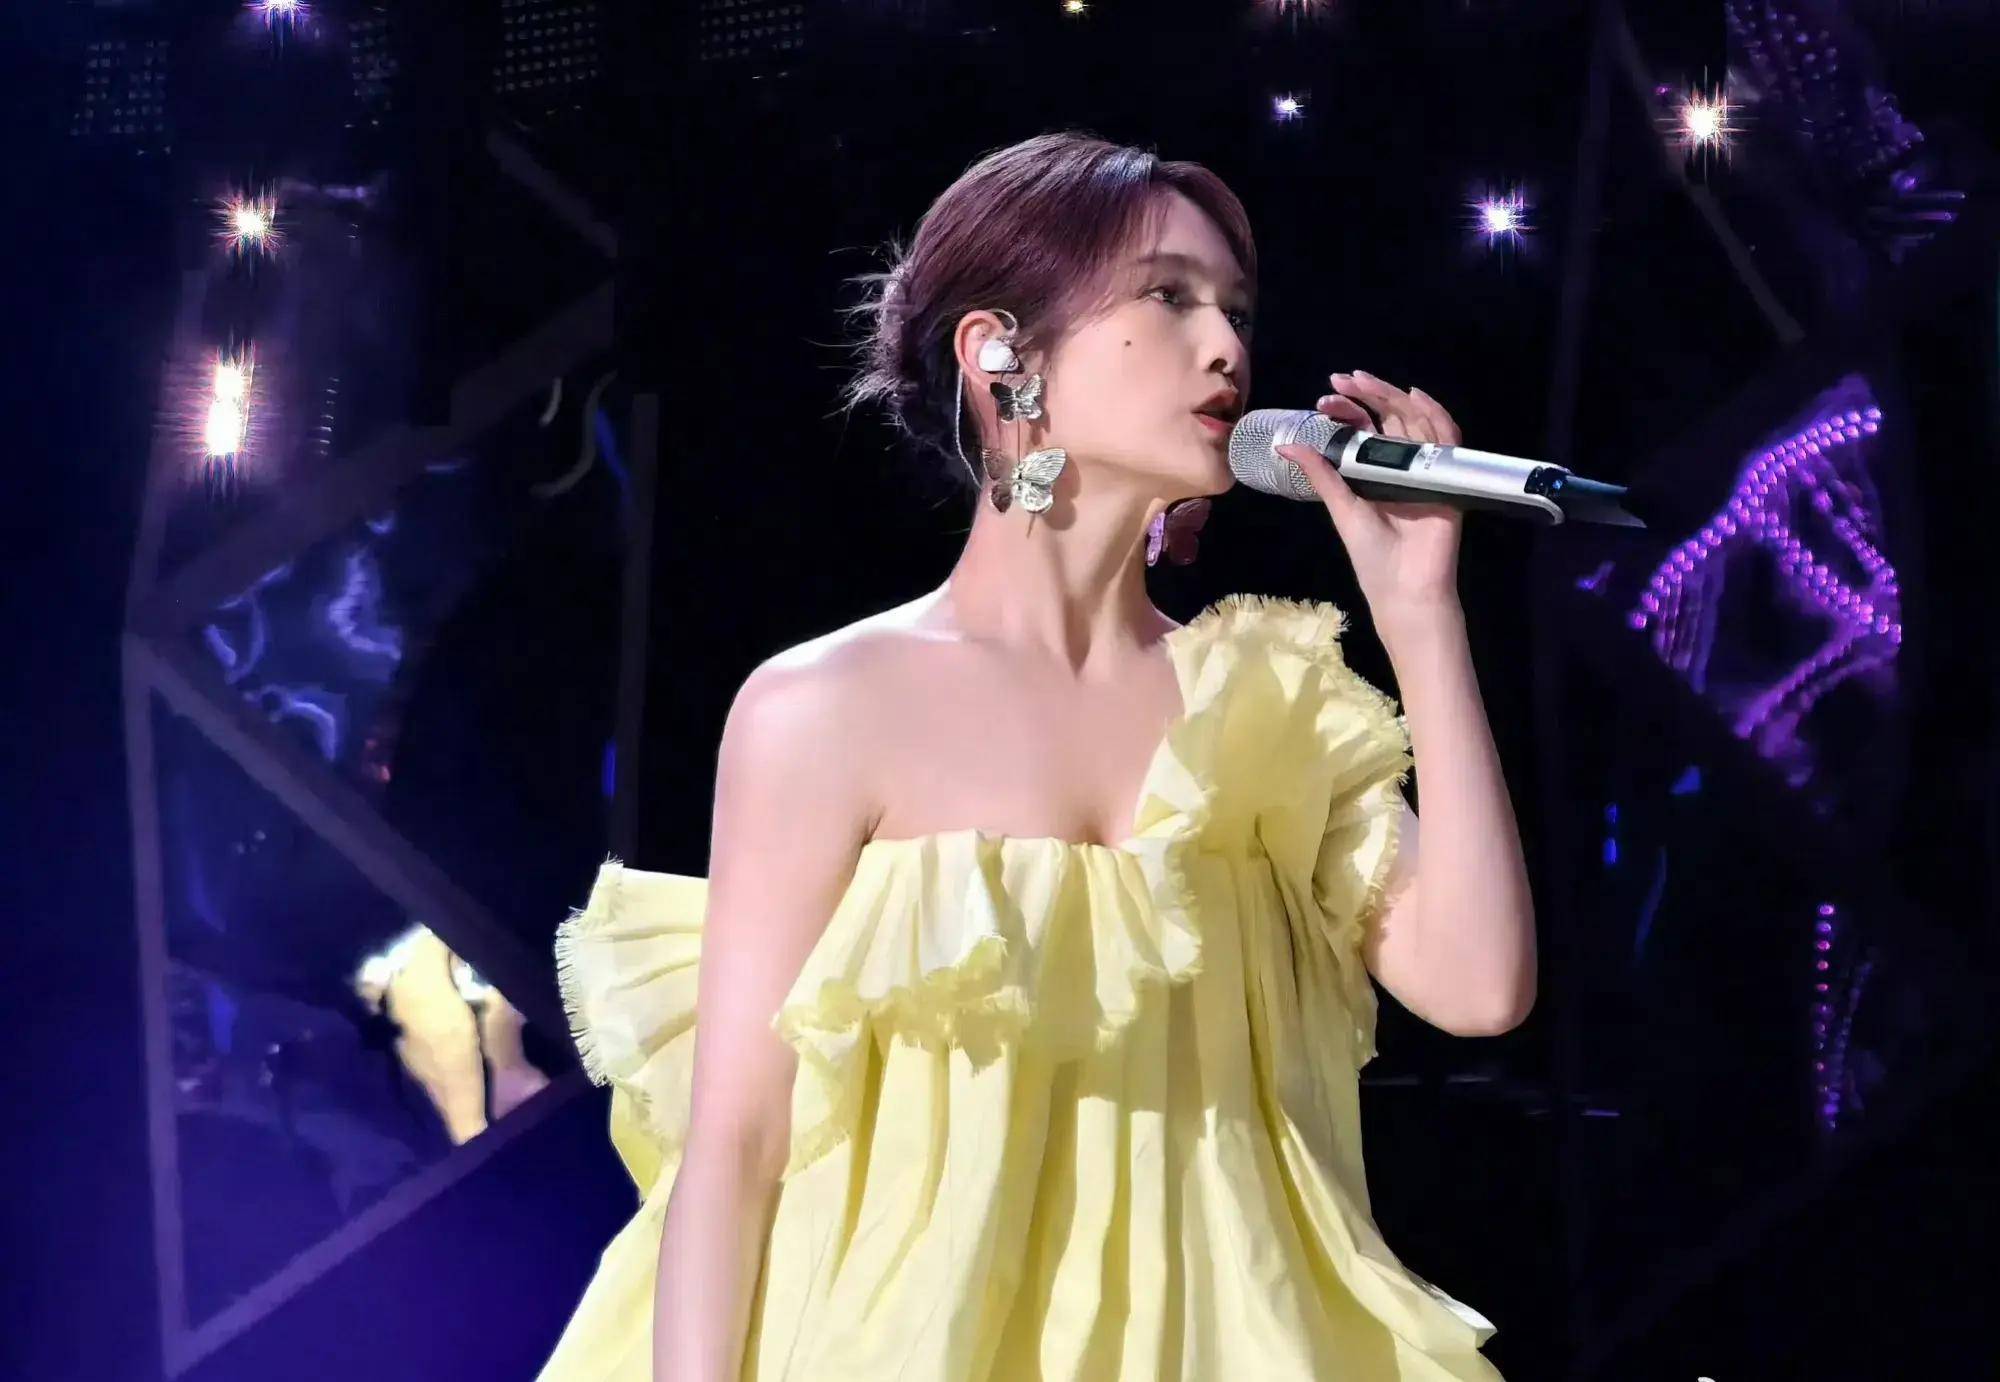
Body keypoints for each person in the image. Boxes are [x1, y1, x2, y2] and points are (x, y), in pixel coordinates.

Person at [539, 130, 1535, 1380]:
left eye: (1234, 309)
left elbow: (1478, 983)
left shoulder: (1264, 710)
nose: (1225, 348)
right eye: (1167, 296)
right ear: (997, 351)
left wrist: (1420, 614)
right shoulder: (827, 706)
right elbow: (734, 1145)